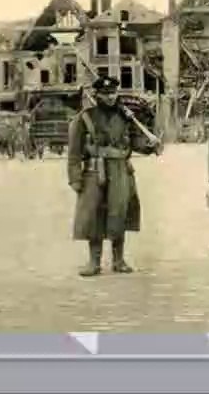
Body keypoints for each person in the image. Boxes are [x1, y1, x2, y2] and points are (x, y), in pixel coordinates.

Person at [67, 75, 142, 277]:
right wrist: (75, 178)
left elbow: (136, 142)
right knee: (94, 216)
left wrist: (151, 147)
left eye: (113, 93)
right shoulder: (84, 118)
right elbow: (74, 153)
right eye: (105, 94)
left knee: (120, 213)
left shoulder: (126, 116)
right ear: (96, 95)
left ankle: (119, 260)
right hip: (94, 171)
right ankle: (94, 262)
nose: (110, 98)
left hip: (120, 170)